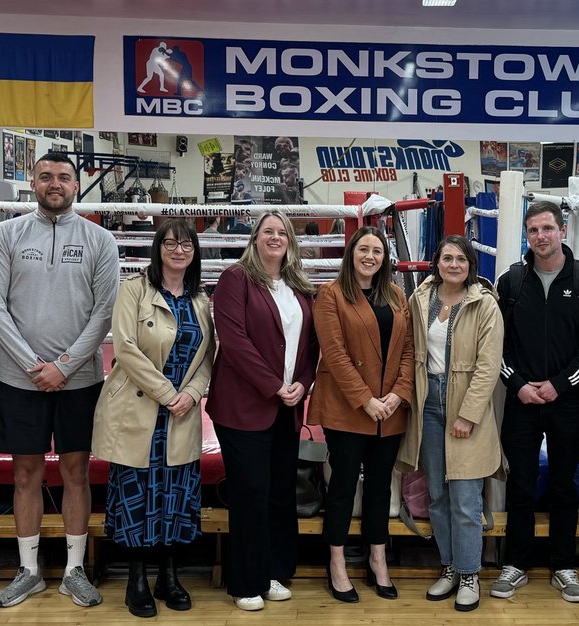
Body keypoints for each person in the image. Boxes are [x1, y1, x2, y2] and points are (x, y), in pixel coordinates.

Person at [0, 152, 120, 609]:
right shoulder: (6, 234)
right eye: (46, 176)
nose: (54, 183)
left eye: (63, 177)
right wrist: (32, 365)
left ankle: (75, 569)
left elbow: (104, 312)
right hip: (22, 380)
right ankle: (29, 570)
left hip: (79, 379)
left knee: (77, 472)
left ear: (77, 185)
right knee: (25, 474)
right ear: (32, 182)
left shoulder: (100, 240)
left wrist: (63, 365)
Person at [93, 218, 216, 618]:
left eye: (186, 244)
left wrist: (191, 394)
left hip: (180, 414)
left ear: (195, 252)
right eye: (170, 243)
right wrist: (168, 394)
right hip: (141, 409)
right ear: (158, 248)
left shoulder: (200, 300)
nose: (179, 250)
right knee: (135, 496)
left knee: (174, 497)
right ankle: (136, 579)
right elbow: (125, 349)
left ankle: (168, 574)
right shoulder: (135, 290)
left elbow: (209, 356)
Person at [491, 200, 579, 604]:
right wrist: (517, 383)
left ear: (562, 231)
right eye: (533, 230)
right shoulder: (510, 281)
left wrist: (560, 384)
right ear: (527, 235)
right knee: (520, 484)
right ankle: (516, 564)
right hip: (520, 399)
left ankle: (563, 566)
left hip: (565, 401)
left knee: (563, 485)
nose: (541, 236)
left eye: (547, 229)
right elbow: (495, 343)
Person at [206, 211, 318, 611]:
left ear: (290, 240)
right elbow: (234, 342)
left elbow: (311, 347)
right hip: (244, 407)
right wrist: (275, 387)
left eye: (282, 232)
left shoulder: (299, 286)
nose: (275, 237)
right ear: (255, 238)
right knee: (250, 492)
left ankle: (272, 571)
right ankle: (245, 581)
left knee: (279, 494)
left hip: (287, 408)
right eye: (268, 231)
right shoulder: (237, 279)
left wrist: (303, 384)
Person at [397, 235, 505, 612]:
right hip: (428, 403)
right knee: (438, 497)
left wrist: (468, 414)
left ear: (470, 265)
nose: (454, 265)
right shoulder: (420, 299)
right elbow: (410, 352)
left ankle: (470, 573)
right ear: (437, 262)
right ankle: (449, 568)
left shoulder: (485, 304)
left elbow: (490, 366)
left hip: (464, 404)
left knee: (465, 499)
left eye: (461, 259)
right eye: (447, 258)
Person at [308, 226, 414, 604]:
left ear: (385, 258)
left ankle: (377, 558)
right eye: (364, 249)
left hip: (389, 410)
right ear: (351, 253)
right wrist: (366, 400)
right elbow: (333, 355)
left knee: (380, 488)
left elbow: (408, 351)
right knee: (342, 488)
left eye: (378, 251)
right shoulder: (331, 295)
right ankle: (336, 563)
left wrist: (398, 395)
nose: (370, 256)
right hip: (349, 410)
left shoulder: (397, 295)